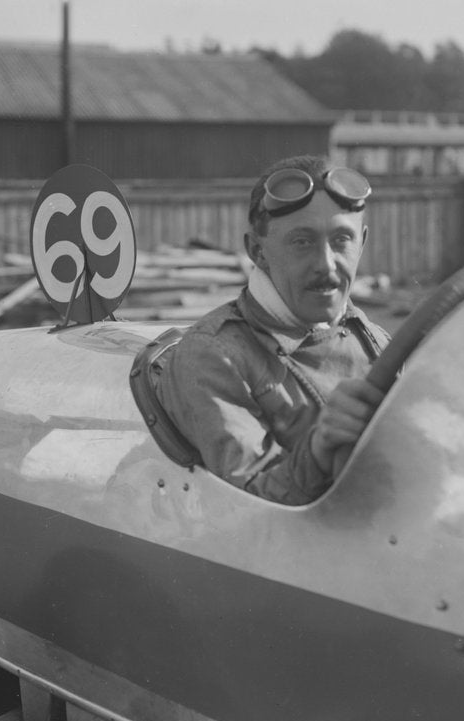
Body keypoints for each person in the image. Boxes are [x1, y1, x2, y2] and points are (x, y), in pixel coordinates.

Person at [157, 154, 390, 505]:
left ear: (363, 242)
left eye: (342, 240)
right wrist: (319, 448)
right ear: (257, 251)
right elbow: (251, 505)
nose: (326, 265)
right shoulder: (213, 356)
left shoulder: (378, 342)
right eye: (302, 242)